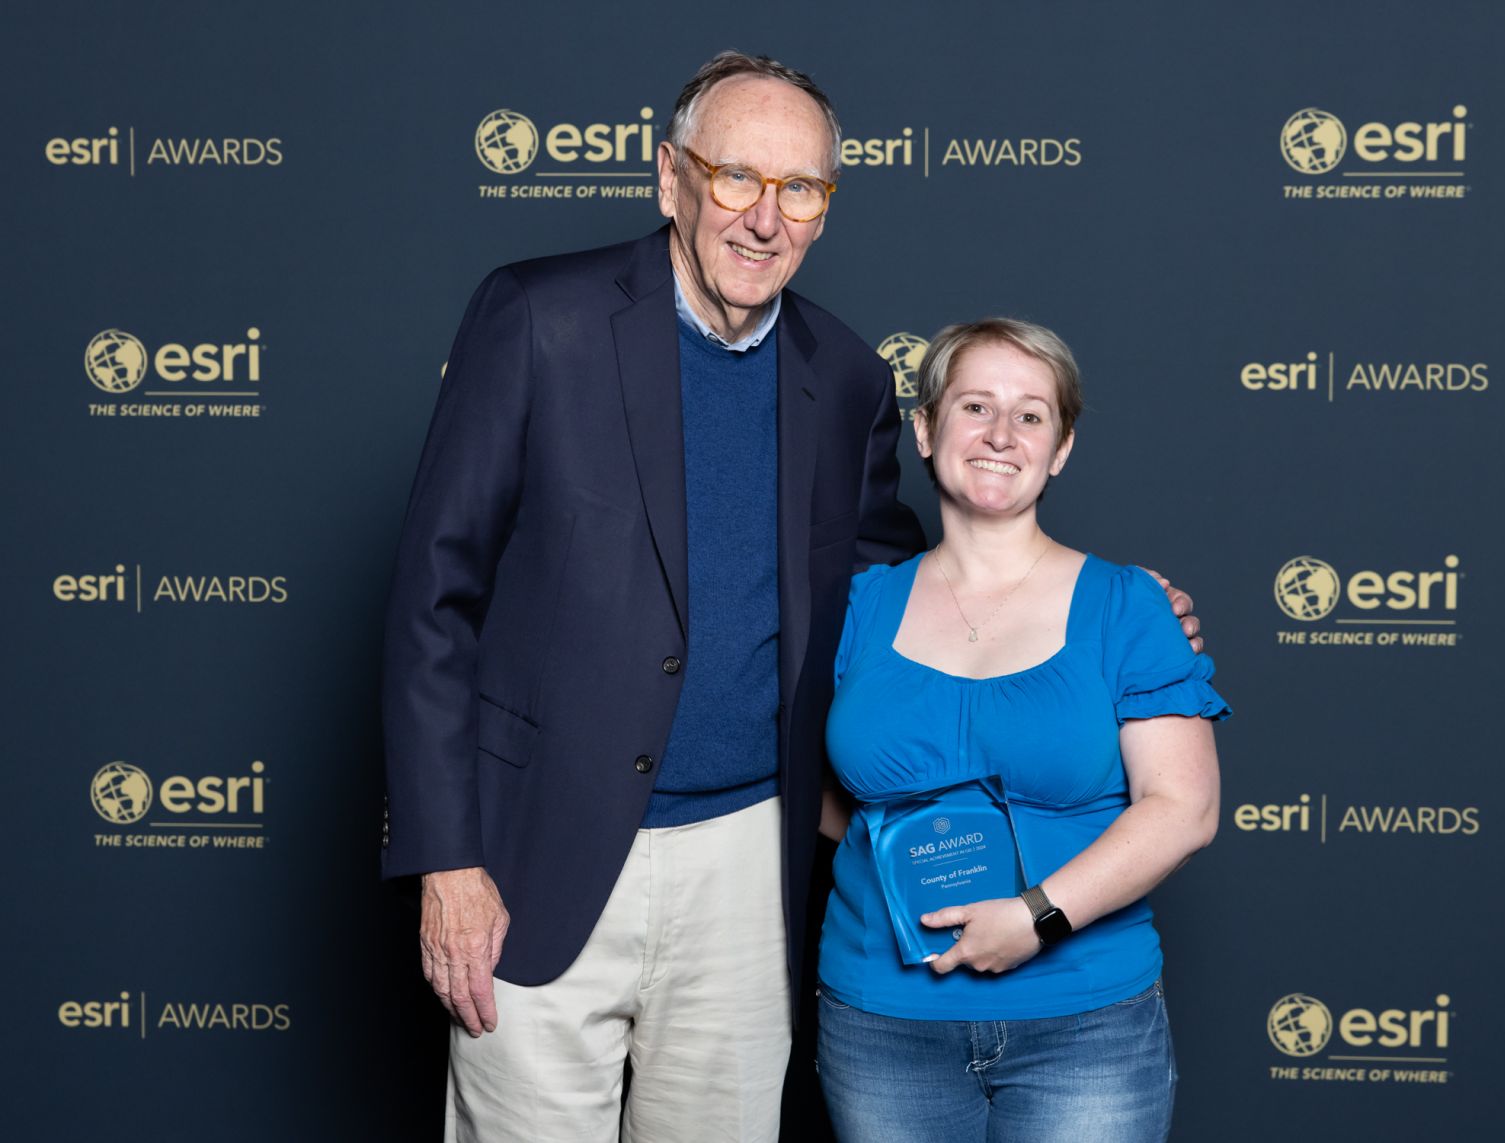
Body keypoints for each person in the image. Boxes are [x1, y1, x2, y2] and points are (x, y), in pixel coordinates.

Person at [382, 51, 1201, 1141]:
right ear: (669, 175)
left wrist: (1106, 604)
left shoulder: (847, 377)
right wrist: (448, 856)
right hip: (535, 851)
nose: (765, 218)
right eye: (736, 178)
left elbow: (890, 591)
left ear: (824, 207)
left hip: (747, 861)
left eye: (801, 189)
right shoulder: (540, 316)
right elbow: (433, 595)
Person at [815, 318, 1228, 1143]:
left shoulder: (1127, 606)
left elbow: (1183, 806)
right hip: (880, 1019)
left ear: (1062, 446)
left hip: (1084, 1023)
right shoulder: (856, 607)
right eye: (975, 406)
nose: (1002, 434)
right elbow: (823, 798)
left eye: (1031, 414)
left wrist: (1035, 915)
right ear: (927, 430)